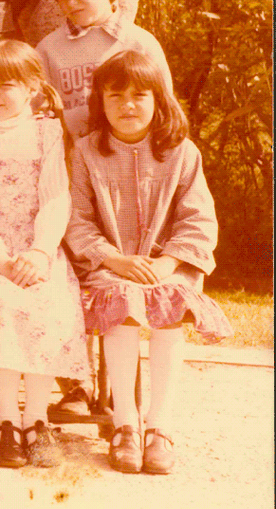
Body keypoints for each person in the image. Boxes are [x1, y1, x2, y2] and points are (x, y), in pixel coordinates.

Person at [65, 50, 232, 475]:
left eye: (140, 95)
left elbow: (198, 219)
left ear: (160, 100)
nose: (127, 105)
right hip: (109, 264)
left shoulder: (181, 153)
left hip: (168, 266)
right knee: (122, 301)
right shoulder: (86, 152)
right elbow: (76, 220)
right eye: (115, 95)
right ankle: (125, 424)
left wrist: (168, 263)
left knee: (169, 301)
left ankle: (159, 426)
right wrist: (115, 259)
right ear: (100, 102)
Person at [0, 40, 89, 469]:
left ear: (32, 88)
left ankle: (38, 420)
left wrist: (41, 252)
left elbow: (55, 197)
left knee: (48, 301)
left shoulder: (47, 132)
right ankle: (6, 420)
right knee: (0, 303)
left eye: (6, 85)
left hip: (36, 247)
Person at [36, 0, 169, 137]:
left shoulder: (139, 44)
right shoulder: (47, 50)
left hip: (131, 156)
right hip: (71, 158)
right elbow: (38, 114)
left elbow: (165, 111)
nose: (71, 2)